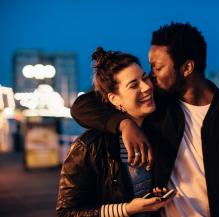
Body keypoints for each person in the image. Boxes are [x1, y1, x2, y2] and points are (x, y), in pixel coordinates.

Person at [71, 22, 219, 217]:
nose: (150, 78)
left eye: (157, 68)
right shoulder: (157, 105)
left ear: (186, 68)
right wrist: (124, 124)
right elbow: (82, 106)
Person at [56, 47, 171, 217]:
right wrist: (127, 209)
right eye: (133, 85)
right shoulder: (89, 146)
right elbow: (66, 212)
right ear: (114, 99)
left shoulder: (155, 130)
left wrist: (154, 195)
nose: (146, 87)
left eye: (145, 78)